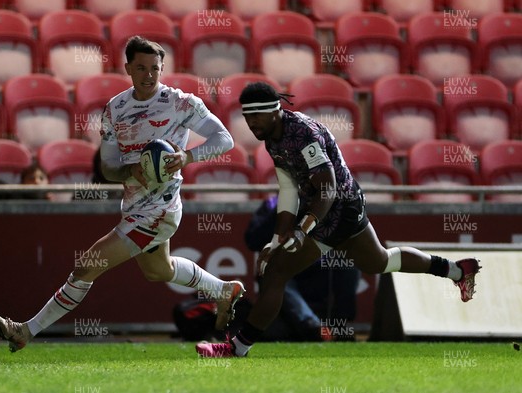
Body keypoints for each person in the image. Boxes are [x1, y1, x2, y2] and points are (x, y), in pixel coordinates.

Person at [0, 36, 245, 352]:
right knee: (159, 271)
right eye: (141, 67)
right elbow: (109, 168)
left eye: (155, 68)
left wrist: (187, 157)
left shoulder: (180, 102)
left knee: (86, 265)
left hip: (159, 210)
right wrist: (131, 171)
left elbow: (224, 139)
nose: (149, 75)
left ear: (162, 68)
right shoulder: (116, 109)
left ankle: (26, 330)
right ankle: (222, 289)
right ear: (128, 68)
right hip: (134, 205)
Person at [196, 82, 481, 358]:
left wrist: (302, 230)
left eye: (256, 115)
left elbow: (328, 187)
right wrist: (275, 239)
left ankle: (237, 347)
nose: (251, 123)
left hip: (337, 207)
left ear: (274, 110)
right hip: (340, 205)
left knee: (276, 273)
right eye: (247, 117)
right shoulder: (273, 136)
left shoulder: (301, 133)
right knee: (379, 261)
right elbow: (288, 189)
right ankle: (457, 270)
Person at [245, 195, 360, 342]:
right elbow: (252, 240)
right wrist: (284, 210)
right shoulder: (273, 204)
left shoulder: (326, 202)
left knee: (347, 263)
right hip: (286, 269)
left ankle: (342, 328)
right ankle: (315, 329)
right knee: (271, 273)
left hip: (318, 271)